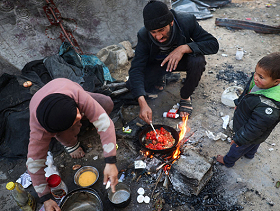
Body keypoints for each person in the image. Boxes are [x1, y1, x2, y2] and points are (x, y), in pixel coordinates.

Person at [26, 78, 118, 211]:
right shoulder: (40, 133)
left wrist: (110, 161)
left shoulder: (77, 96)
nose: (80, 118)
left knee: (107, 103)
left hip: (65, 87)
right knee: (68, 135)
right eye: (76, 119)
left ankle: (77, 119)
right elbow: (33, 166)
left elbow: (105, 123)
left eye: (78, 114)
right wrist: (46, 198)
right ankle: (70, 143)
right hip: (42, 104)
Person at [126, 0, 219, 124]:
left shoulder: (186, 21)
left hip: (182, 61)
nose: (158, 37)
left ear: (171, 22)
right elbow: (137, 68)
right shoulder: (143, 35)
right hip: (158, 64)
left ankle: (185, 96)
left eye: (161, 30)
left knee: (198, 60)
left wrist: (184, 48)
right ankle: (160, 78)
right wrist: (142, 102)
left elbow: (213, 44)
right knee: (133, 85)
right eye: (153, 32)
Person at [217, 52, 280, 167]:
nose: (255, 77)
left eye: (261, 77)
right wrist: (239, 102)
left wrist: (239, 139)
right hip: (255, 131)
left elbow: (254, 128)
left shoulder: (270, 106)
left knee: (238, 147)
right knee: (255, 143)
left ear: (276, 82)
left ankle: (228, 161)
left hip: (248, 131)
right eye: (256, 72)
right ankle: (250, 154)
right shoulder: (260, 82)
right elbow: (248, 90)